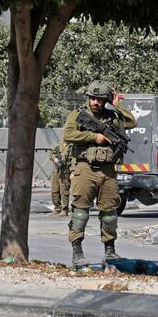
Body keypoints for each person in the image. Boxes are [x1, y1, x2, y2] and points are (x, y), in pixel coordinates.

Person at [63, 81, 136, 267]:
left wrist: (117, 104)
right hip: (85, 168)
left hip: (108, 171)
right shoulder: (78, 114)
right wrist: (93, 137)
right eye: (93, 98)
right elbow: (68, 135)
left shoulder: (112, 117)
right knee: (80, 213)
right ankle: (77, 252)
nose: (96, 102)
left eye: (100, 99)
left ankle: (110, 251)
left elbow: (131, 122)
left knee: (110, 214)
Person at [49, 140, 72, 216]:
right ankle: (57, 208)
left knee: (64, 191)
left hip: (65, 171)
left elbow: (73, 160)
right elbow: (51, 154)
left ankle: (65, 209)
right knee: (55, 190)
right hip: (56, 171)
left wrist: (72, 172)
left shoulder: (72, 147)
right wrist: (54, 159)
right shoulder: (58, 146)